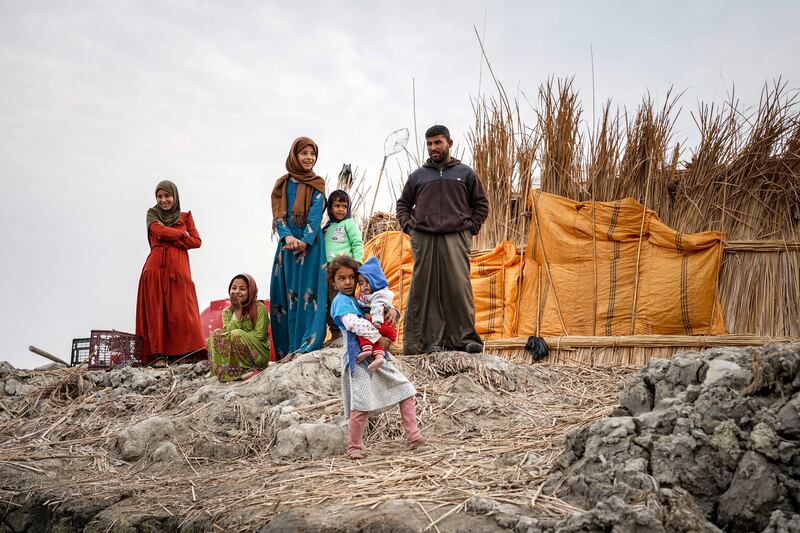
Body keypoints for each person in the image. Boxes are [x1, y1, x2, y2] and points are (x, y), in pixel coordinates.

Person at [396, 125, 489, 354]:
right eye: (429, 144)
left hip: (455, 236)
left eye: (438, 142)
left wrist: (470, 229)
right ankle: (426, 343)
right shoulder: (418, 176)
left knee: (458, 286)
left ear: (450, 143)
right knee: (424, 288)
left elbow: (481, 205)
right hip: (424, 236)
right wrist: (410, 228)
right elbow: (403, 205)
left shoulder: (465, 173)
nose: (433, 148)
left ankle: (464, 339)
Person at [328, 255, 426, 460]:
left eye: (351, 277)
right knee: (361, 405)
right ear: (333, 282)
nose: (347, 282)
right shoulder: (340, 302)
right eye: (341, 278)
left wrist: (392, 310)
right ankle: (354, 447)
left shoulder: (358, 299)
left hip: (376, 355)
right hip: (358, 359)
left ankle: (413, 436)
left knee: (406, 390)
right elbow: (354, 324)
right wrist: (379, 337)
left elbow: (378, 304)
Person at [269, 137, 328, 361]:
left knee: (308, 293)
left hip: (310, 247)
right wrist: (288, 237)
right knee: (284, 294)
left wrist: (304, 239)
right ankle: (287, 348)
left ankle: (305, 344)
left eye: (312, 154)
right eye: (304, 153)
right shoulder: (281, 185)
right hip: (287, 246)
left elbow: (316, 212)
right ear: (295, 155)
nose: (309, 158)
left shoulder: (317, 183)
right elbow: (278, 215)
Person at [135, 180, 205, 366]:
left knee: (182, 308)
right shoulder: (152, 213)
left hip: (179, 269)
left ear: (175, 196)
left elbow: (197, 241)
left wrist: (173, 236)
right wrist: (182, 235)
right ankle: (157, 355)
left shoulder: (186, 217)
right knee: (156, 310)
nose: (163, 200)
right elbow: (158, 231)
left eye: (167, 196)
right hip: (155, 268)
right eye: (160, 196)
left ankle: (184, 353)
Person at [207, 274, 270, 382]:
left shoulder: (259, 308)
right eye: (234, 288)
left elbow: (260, 335)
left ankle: (254, 369)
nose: (237, 291)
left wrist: (240, 334)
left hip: (258, 354)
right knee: (216, 334)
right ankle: (230, 372)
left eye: (242, 289)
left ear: (251, 291)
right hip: (236, 355)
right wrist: (237, 311)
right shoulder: (227, 312)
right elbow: (227, 335)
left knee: (236, 334)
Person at [323, 189, 364, 340]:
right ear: (330, 208)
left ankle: (344, 332)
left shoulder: (349, 223)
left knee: (340, 300)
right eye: (337, 206)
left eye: (344, 206)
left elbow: (357, 243)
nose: (341, 210)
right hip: (328, 271)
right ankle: (334, 332)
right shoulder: (327, 227)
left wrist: (357, 262)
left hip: (343, 270)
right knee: (328, 301)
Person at [355, 256, 396, 371]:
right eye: (361, 283)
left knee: (361, 326)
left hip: (381, 324)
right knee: (378, 345)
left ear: (376, 280)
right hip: (387, 329)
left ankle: (367, 349)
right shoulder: (366, 295)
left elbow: (378, 306)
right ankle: (379, 357)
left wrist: (376, 320)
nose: (364, 286)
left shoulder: (380, 293)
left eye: (367, 282)